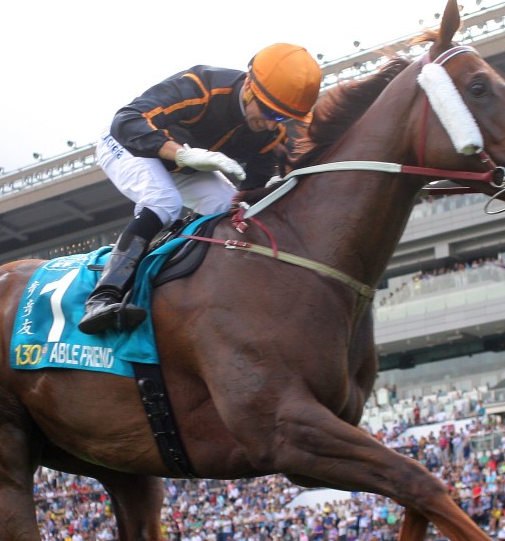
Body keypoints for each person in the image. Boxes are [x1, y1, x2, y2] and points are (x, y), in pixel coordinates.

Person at [78, 43, 323, 334]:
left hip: (189, 164)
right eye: (269, 111)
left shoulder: (271, 134)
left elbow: (251, 193)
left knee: (232, 213)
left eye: (282, 117)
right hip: (127, 144)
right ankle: (104, 296)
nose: (272, 125)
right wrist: (181, 154)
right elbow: (127, 122)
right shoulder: (201, 87)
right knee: (163, 202)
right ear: (248, 84)